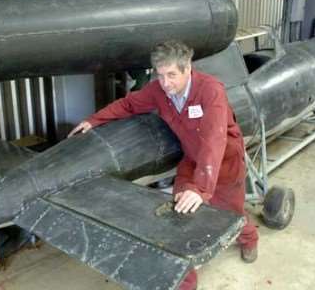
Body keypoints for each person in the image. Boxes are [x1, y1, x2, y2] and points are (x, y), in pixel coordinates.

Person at [68, 40, 259, 290]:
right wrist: (93, 120)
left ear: (187, 69)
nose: (165, 83)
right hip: (192, 158)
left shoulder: (210, 90)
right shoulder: (159, 90)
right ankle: (185, 281)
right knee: (179, 217)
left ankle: (250, 239)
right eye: (160, 75)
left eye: (171, 75)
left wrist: (200, 188)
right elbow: (128, 104)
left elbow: (214, 141)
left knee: (230, 215)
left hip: (224, 160)